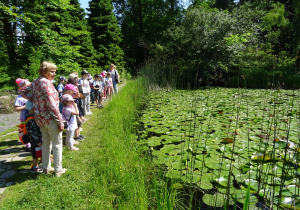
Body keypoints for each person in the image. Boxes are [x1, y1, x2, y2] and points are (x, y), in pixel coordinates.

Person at [19, 61, 66, 177]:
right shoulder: (47, 83)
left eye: (55, 72)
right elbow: (52, 104)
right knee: (56, 144)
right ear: (44, 71)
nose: (54, 74)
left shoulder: (36, 82)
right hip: (51, 119)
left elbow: (21, 91)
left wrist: (34, 98)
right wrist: (60, 120)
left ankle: (46, 168)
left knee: (46, 143)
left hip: (40, 119)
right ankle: (58, 170)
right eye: (52, 71)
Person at [23, 101, 43, 172]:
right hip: (35, 141)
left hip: (35, 140)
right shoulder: (31, 120)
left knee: (39, 152)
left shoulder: (31, 117)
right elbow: (33, 132)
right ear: (32, 109)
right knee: (35, 155)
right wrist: (38, 141)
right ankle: (34, 167)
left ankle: (40, 164)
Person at [66, 75, 85, 141]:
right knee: (77, 120)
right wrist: (77, 89)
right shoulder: (72, 87)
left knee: (78, 120)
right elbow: (77, 96)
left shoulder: (67, 86)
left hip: (73, 103)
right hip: (75, 103)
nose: (77, 80)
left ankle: (78, 134)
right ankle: (76, 136)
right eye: (76, 79)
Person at [15, 78, 31, 149]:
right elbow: (17, 108)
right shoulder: (19, 98)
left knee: (31, 129)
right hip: (24, 117)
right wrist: (25, 106)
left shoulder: (30, 95)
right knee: (25, 130)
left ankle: (33, 141)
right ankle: (27, 144)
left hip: (31, 115)